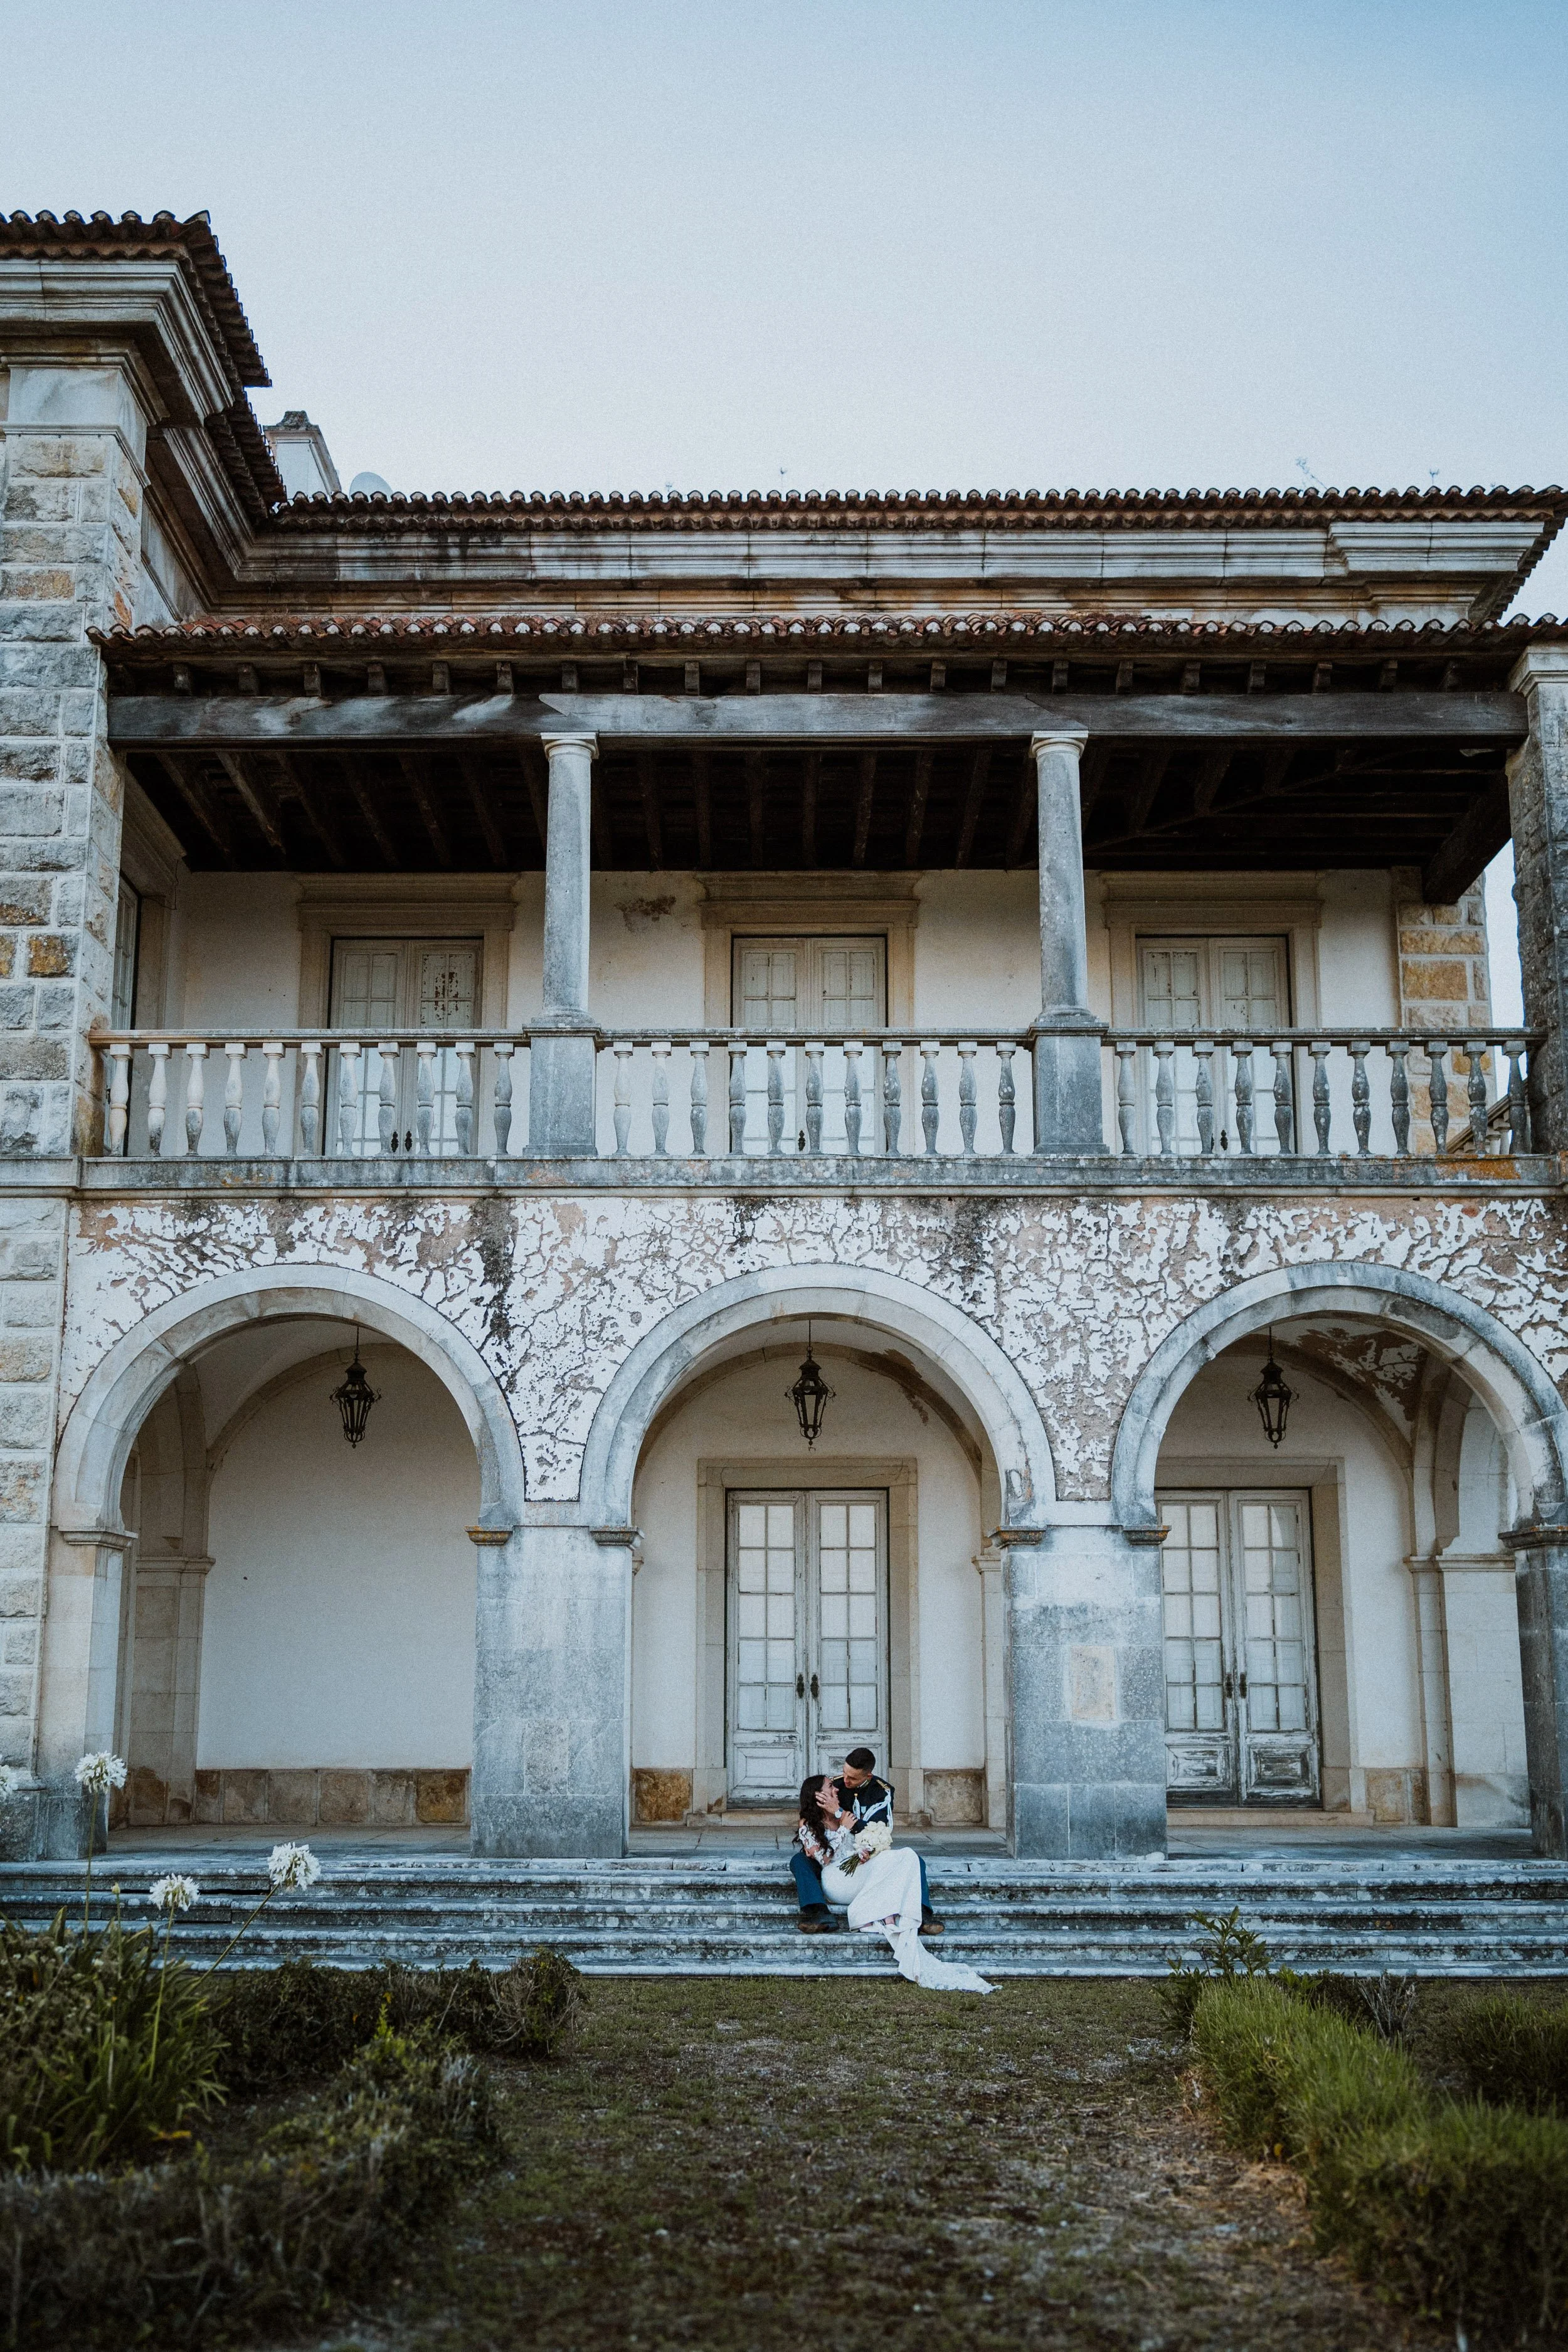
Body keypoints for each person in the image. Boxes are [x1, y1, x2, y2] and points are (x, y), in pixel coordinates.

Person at [794, 1770, 992, 1994]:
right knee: (894, 1859)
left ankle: (911, 1914)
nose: (837, 1788)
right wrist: (843, 1828)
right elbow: (825, 1860)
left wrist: (863, 1852)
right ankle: (864, 1915)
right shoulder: (809, 1823)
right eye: (830, 1787)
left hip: (856, 1874)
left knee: (906, 1856)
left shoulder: (844, 1812)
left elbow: (856, 1846)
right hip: (836, 1881)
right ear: (819, 1797)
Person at [789, 1746, 944, 1936]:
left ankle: (922, 1913)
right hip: (832, 1864)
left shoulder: (881, 1792)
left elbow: (877, 1830)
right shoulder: (837, 1785)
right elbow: (814, 1820)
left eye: (852, 1778)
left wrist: (840, 1814)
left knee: (914, 1861)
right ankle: (818, 1912)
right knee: (799, 1860)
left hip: (863, 1852)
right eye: (844, 1773)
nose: (844, 1782)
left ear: (868, 1776)